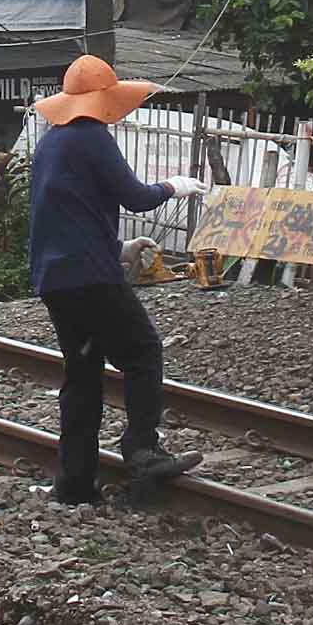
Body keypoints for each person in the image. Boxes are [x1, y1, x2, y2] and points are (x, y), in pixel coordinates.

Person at [29, 55, 210, 506]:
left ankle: (74, 484)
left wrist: (116, 249)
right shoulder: (91, 137)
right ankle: (143, 449)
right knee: (143, 351)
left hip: (57, 278)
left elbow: (63, 217)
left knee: (83, 373)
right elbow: (135, 196)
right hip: (91, 276)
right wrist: (172, 186)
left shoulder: (52, 143)